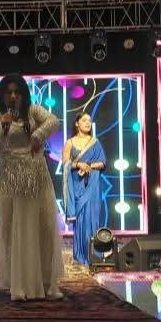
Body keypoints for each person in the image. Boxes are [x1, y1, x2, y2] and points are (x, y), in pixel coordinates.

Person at [0, 74, 63, 301]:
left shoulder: (33, 111)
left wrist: (38, 135)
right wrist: (4, 129)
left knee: (41, 227)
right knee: (10, 230)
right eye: (8, 92)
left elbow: (54, 121)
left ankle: (44, 281)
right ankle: (17, 283)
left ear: (23, 95)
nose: (13, 96)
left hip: (35, 175)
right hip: (8, 177)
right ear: (2, 95)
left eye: (17, 92)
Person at [62, 112, 107, 265]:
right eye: (84, 120)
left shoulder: (95, 142)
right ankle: (80, 255)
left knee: (92, 218)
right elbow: (66, 164)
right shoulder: (70, 143)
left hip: (92, 185)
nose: (88, 123)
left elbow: (103, 162)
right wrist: (78, 164)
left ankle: (94, 255)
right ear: (77, 123)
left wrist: (88, 166)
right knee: (80, 220)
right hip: (77, 185)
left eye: (89, 120)